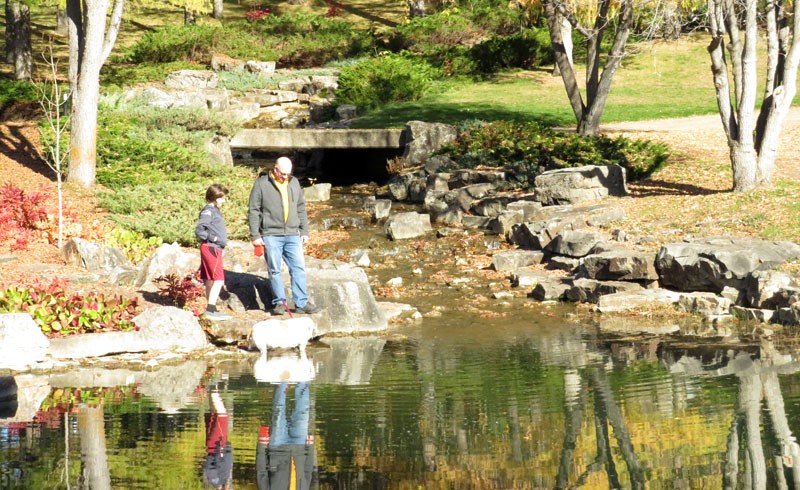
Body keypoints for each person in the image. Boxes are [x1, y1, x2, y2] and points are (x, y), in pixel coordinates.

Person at [248, 157, 322, 316]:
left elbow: (301, 207)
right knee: (274, 270)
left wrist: (304, 230)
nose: (285, 177)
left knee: (298, 269)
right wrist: (255, 235)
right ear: (275, 169)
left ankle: (301, 303)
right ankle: (279, 303)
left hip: (292, 234)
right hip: (270, 234)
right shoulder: (261, 184)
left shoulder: (294, 182)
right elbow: (254, 210)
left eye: (288, 174)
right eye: (282, 174)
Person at [256, 381, 316, 490]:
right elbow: (308, 471)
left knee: (279, 409)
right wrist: (311, 447)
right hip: (300, 447)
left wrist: (262, 445)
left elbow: (261, 472)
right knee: (303, 411)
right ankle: (302, 376)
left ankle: (283, 379)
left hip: (277, 447)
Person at [196, 184, 232, 321]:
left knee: (210, 279)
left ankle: (211, 308)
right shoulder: (208, 211)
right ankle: (210, 309)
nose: (224, 201)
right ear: (215, 197)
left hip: (214, 248)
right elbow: (200, 230)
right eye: (222, 198)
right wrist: (215, 239)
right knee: (218, 279)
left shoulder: (214, 210)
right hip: (212, 248)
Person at [203, 391, 234, 490]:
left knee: (222, 416)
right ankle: (211, 388)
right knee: (215, 414)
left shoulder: (215, 480)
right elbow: (227, 462)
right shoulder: (224, 479)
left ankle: (213, 389)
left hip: (216, 444)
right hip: (221, 443)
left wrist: (218, 453)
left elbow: (208, 464)